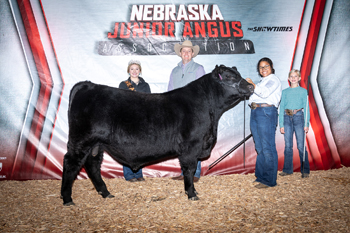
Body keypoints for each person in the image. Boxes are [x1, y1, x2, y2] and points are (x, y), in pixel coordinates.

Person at [168, 40, 205, 183]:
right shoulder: (175, 70)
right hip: (178, 111)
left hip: (193, 110)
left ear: (193, 53)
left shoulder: (198, 68)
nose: (186, 53)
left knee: (194, 141)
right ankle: (184, 172)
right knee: (181, 142)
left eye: (189, 51)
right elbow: (170, 90)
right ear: (180, 53)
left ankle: (195, 173)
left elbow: (202, 90)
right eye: (184, 51)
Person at [246, 57, 282, 189]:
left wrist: (253, 86)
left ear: (271, 66)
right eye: (261, 67)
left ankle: (269, 180)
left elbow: (265, 93)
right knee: (260, 147)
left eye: (266, 66)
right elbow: (251, 100)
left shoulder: (273, 80)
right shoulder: (261, 82)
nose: (263, 69)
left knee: (267, 147)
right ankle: (261, 176)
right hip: (256, 112)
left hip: (266, 112)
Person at [119, 59, 151, 182]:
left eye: (136, 69)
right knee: (127, 146)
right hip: (128, 119)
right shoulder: (123, 84)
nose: (134, 71)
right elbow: (120, 102)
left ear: (140, 71)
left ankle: (138, 173)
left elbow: (149, 103)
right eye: (132, 69)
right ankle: (129, 174)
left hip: (142, 119)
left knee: (140, 147)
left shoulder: (145, 85)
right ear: (129, 71)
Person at [279, 69, 310, 178]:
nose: (293, 78)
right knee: (288, 146)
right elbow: (281, 107)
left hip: (299, 118)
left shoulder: (303, 91)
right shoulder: (285, 92)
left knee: (301, 146)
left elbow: (306, 108)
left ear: (299, 78)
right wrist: (281, 124)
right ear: (288, 78)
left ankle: (305, 170)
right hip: (286, 117)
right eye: (291, 76)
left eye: (295, 76)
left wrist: (306, 123)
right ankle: (287, 170)